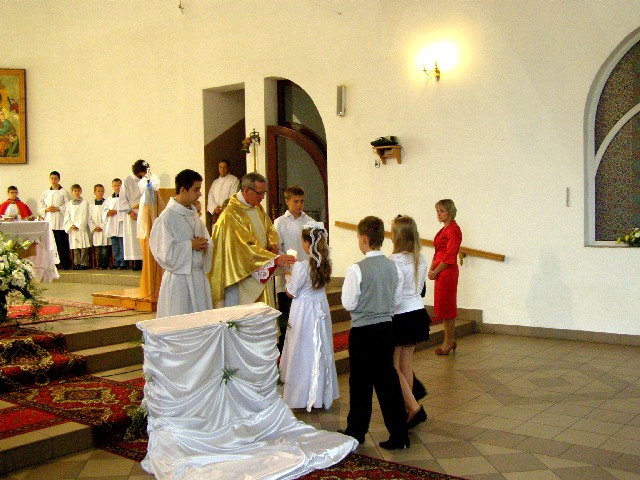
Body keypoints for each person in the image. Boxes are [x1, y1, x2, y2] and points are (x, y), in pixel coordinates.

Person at [339, 216, 409, 450]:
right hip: (386, 329)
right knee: (388, 381)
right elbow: (396, 300)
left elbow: (349, 303)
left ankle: (357, 430)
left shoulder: (356, 269)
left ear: (364, 239)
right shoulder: (393, 267)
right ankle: (399, 434)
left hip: (362, 332)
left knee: (360, 382)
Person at [209, 172, 295, 308]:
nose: (262, 197)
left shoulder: (257, 208)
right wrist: (273, 259)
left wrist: (272, 243)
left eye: (264, 193)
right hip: (243, 277)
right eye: (260, 193)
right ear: (247, 191)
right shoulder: (231, 215)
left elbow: (269, 229)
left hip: (261, 269)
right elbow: (243, 249)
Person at [279, 221, 339, 411]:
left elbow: (291, 292)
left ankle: (300, 395)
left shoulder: (302, 267)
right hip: (320, 308)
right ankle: (320, 393)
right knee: (319, 349)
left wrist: (288, 275)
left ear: (307, 243)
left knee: (302, 350)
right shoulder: (326, 263)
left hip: (303, 312)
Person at [150, 169, 213, 318]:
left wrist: (204, 245)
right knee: (179, 321)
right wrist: (190, 245)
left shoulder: (193, 215)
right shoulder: (166, 218)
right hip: (179, 282)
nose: (200, 194)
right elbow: (164, 254)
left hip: (198, 278)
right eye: (196, 189)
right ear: (183, 190)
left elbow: (207, 242)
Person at [389, 215, 429, 428]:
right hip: (417, 313)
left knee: (393, 365)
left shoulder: (394, 261)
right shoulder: (420, 257)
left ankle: (413, 406)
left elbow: (395, 297)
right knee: (406, 364)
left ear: (398, 236)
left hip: (401, 315)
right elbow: (420, 288)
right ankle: (407, 408)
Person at [273, 185, 313, 350]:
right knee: (287, 317)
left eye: (302, 201)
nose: (299, 205)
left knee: (303, 318)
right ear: (287, 201)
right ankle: (286, 350)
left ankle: (303, 349)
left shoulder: (309, 221)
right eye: (295, 201)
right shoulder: (279, 222)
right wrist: (287, 262)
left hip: (306, 274)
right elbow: (277, 248)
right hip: (287, 275)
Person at [429, 199, 463, 355]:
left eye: (442, 211)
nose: (439, 214)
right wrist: (432, 269)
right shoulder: (444, 229)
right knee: (442, 307)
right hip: (440, 272)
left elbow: (449, 256)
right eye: (437, 211)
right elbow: (437, 252)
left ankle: (448, 341)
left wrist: (435, 271)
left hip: (447, 273)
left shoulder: (454, 230)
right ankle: (449, 340)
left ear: (450, 211)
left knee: (447, 307)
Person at [39, 171, 72, 270]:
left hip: (60, 221)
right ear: (50, 179)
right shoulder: (45, 193)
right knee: (51, 244)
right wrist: (46, 209)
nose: (53, 180)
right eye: (52, 178)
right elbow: (41, 207)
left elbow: (69, 206)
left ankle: (65, 263)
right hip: (49, 221)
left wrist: (58, 208)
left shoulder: (64, 192)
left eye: (55, 178)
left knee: (62, 243)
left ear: (59, 179)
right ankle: (52, 264)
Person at [121, 159, 149, 270]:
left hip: (144, 211)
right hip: (133, 212)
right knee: (134, 239)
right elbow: (123, 199)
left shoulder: (147, 180)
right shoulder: (127, 180)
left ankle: (145, 262)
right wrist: (130, 211)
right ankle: (135, 263)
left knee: (144, 236)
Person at [64, 184, 91, 270]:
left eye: (78, 191)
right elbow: (67, 215)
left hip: (81, 228)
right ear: (72, 192)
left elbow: (84, 215)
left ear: (81, 191)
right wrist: (70, 225)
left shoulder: (84, 203)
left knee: (83, 246)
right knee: (75, 247)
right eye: (75, 191)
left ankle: (84, 263)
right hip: (73, 228)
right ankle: (77, 263)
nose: (76, 192)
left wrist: (78, 225)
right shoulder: (69, 204)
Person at [206, 159, 239, 224]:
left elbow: (233, 197)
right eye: (220, 167)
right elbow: (210, 196)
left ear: (228, 168)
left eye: (224, 167)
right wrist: (215, 208)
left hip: (227, 214)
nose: (222, 169)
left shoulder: (234, 180)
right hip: (216, 214)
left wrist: (222, 209)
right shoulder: (215, 182)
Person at [103, 178, 126, 269]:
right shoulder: (109, 199)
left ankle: (123, 262)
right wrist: (108, 212)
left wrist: (117, 212)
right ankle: (117, 261)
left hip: (120, 224)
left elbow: (126, 210)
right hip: (112, 224)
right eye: (115, 186)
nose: (117, 187)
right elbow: (104, 210)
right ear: (112, 186)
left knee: (122, 244)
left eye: (118, 185)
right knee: (115, 245)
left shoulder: (124, 198)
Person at [89, 184, 111, 269]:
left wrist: (102, 226)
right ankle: (99, 264)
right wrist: (94, 227)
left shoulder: (107, 203)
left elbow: (108, 216)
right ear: (94, 192)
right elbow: (89, 218)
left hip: (104, 229)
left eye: (102, 191)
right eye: (98, 191)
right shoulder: (91, 204)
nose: (100, 192)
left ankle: (105, 264)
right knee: (98, 248)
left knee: (105, 248)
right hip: (96, 229)